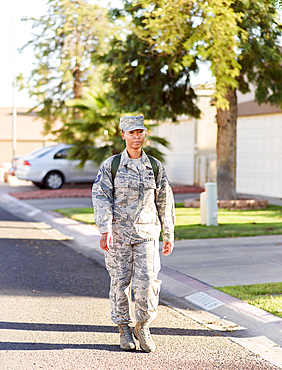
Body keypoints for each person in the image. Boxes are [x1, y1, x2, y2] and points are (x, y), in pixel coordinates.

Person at [92, 115, 175, 352]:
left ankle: (143, 326)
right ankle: (123, 329)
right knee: (120, 283)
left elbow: (165, 200)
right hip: (118, 235)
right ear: (123, 135)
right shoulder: (111, 165)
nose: (136, 136)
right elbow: (101, 197)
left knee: (147, 282)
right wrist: (105, 228)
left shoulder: (155, 166)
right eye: (131, 133)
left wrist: (168, 233)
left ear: (144, 134)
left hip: (147, 234)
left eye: (140, 132)